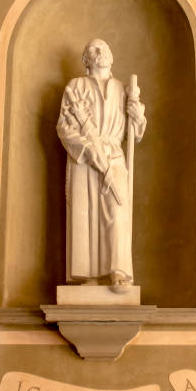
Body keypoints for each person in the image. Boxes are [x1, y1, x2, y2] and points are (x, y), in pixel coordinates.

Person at [56, 39, 146, 288]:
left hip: (114, 156)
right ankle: (90, 276)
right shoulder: (75, 87)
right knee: (86, 216)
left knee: (117, 211)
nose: (99, 51)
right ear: (85, 60)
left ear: (111, 56)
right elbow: (64, 127)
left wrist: (137, 115)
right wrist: (86, 149)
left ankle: (117, 271)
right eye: (92, 49)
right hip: (84, 159)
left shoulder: (122, 90)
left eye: (103, 47)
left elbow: (135, 133)